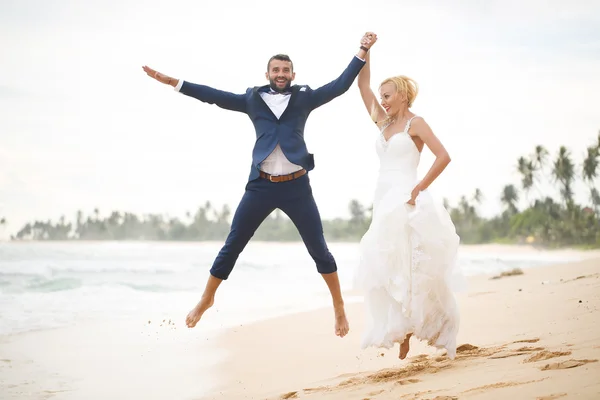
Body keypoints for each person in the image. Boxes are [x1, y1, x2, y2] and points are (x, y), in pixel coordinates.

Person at [142, 34, 376, 337]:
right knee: (232, 244)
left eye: (286, 70)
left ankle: (339, 306)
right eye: (276, 70)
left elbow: (340, 85)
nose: (281, 75)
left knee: (319, 249)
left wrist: (363, 50)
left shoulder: (305, 97)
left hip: (296, 187)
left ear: (293, 74)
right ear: (267, 74)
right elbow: (213, 95)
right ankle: (206, 298)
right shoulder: (252, 98)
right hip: (261, 186)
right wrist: (173, 82)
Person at [353, 33, 463, 359]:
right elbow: (362, 86)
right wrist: (366, 52)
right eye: (382, 96)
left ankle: (417, 326)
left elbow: (443, 155)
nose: (382, 100)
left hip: (407, 197)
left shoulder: (416, 123)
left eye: (388, 96)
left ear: (402, 95)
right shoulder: (382, 123)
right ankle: (400, 327)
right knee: (384, 261)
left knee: (411, 262)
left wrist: (421, 186)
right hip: (382, 195)